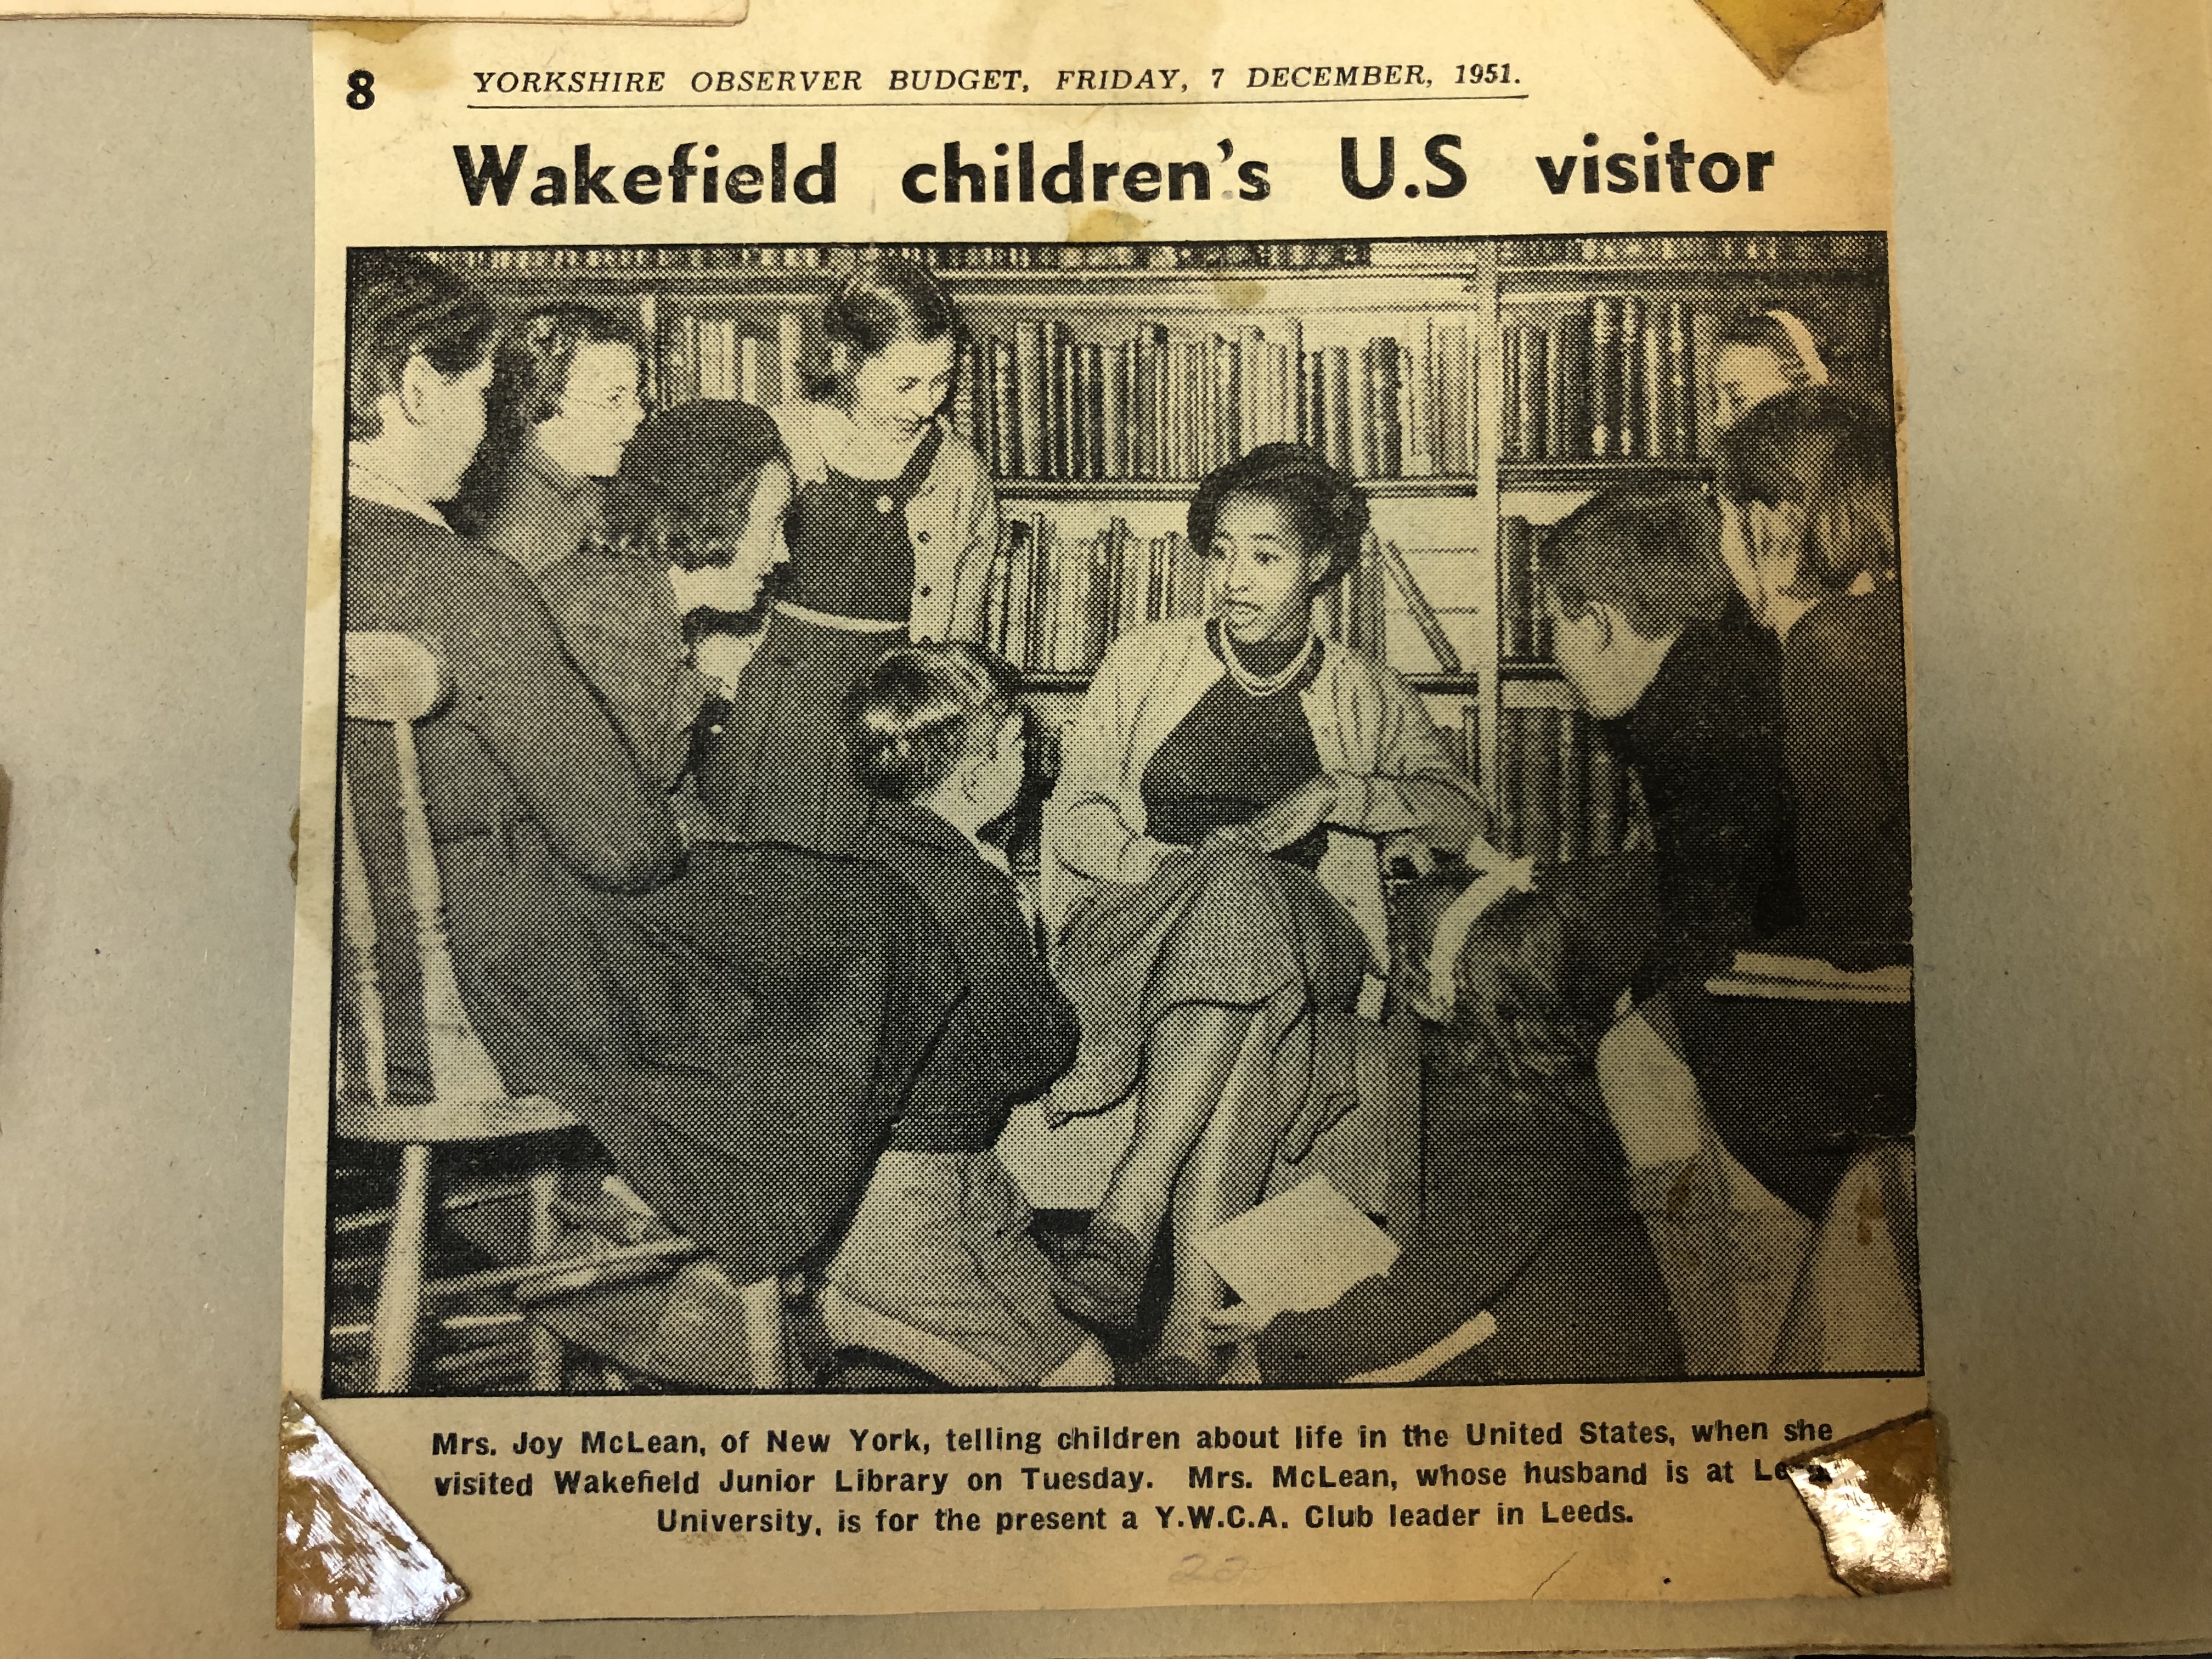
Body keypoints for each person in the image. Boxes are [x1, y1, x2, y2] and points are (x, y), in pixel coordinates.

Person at [338, 252, 963, 1314]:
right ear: (410, 389)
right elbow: (623, 847)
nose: (490, 427)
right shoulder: (464, 581)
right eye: (482, 394)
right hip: (500, 986)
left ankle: (714, 1210)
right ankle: (759, 1231)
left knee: (804, 912)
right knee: (873, 917)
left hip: (363, 1001)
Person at [1040, 443, 1489, 1374]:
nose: (1232, 577)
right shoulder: (1143, 659)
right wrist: (1173, 865)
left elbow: (1462, 811)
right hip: (1142, 920)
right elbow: (1075, 815)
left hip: (1311, 930)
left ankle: (1130, 1210)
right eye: (1221, 550)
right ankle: (1190, 1327)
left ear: (1320, 562)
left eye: (1265, 554)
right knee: (1234, 909)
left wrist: (1337, 792)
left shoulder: (1364, 687)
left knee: (1247, 895)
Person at [1596, 387, 1913, 1374]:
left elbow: (1854, 922)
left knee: (1638, 1047)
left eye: (1722, 514)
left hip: (1906, 1002)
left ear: (1768, 521)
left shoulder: (1824, 647)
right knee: (1694, 1004)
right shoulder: (1893, 619)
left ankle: (1727, 1359)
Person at [1210, 889, 1683, 1385]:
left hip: (1565, 1390)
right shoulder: (1540, 1080)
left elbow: (1433, 1293)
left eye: (1403, 952)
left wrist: (1275, 1351)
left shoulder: (1516, 1123)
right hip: (1521, 1338)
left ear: (1441, 990)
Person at [811, 644, 1115, 1390]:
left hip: (843, 1187)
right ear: (980, 778)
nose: (1033, 762)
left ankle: (854, 1307)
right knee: (1082, 1378)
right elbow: (1032, 1051)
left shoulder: (841, 855)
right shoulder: (975, 891)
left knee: (1037, 1307)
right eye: (1020, 747)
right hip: (921, 1203)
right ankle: (858, 1307)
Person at [696, 255, 1000, 857]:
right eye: (904, 384)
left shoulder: (960, 469)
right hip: (782, 697)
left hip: (893, 707)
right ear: (845, 362)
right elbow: (707, 572)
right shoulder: (776, 439)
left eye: (942, 382)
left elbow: (962, 625)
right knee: (771, 870)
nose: (925, 406)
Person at [1541, 488, 1800, 1001]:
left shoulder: (1678, 720)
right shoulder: (1721, 663)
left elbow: (1708, 926)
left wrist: (1638, 997)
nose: (1554, 652)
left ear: (1597, 624)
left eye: (1555, 626)